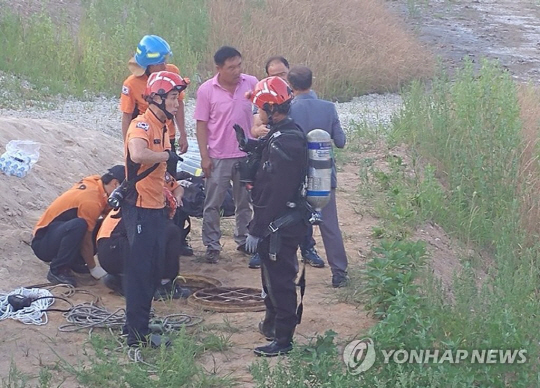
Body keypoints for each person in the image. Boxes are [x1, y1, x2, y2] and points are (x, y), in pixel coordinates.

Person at [244, 76, 310, 357]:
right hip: (284, 222)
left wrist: (257, 228)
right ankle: (273, 326)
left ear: (271, 108)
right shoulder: (285, 133)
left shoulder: (285, 141)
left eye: (259, 107)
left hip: (280, 226)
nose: (257, 112)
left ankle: (283, 340)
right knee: (272, 279)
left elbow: (274, 192)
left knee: (280, 282)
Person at [123, 70, 188, 347]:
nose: (177, 103)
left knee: (151, 271)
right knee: (140, 273)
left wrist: (173, 186)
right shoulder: (143, 125)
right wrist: (166, 155)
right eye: (173, 97)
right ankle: (135, 336)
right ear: (158, 98)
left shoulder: (163, 125)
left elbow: (158, 171)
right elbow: (138, 154)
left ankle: (140, 325)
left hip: (155, 207)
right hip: (139, 209)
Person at [194, 46, 258, 264]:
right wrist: (205, 156)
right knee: (213, 202)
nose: (237, 71)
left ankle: (243, 240)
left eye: (239, 65)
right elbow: (201, 125)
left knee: (245, 201)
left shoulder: (251, 83)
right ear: (219, 68)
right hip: (218, 155)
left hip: (246, 155)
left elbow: (261, 114)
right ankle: (212, 245)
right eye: (231, 67)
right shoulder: (206, 90)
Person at [287, 66, 348, 288]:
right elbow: (341, 142)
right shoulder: (328, 108)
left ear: (290, 85)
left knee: (291, 224)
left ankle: (290, 273)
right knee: (330, 226)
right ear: (312, 82)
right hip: (323, 177)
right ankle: (339, 272)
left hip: (295, 178)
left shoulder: (289, 109)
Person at [31, 166, 125, 286]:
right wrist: (93, 267)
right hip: (43, 242)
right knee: (80, 225)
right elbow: (86, 239)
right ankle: (57, 269)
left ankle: (75, 262)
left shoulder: (96, 184)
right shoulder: (91, 201)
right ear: (115, 183)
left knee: (104, 224)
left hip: (58, 232)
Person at [96, 183, 191, 300]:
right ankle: (164, 285)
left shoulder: (132, 202)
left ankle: (120, 279)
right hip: (118, 250)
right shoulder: (147, 211)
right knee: (171, 232)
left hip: (107, 254)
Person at [120, 35, 189, 173]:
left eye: (165, 61)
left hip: (167, 136)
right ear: (148, 65)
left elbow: (178, 103)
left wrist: (183, 134)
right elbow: (127, 116)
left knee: (170, 181)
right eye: (160, 63)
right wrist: (129, 145)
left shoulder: (172, 72)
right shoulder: (131, 84)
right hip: (146, 138)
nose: (165, 66)